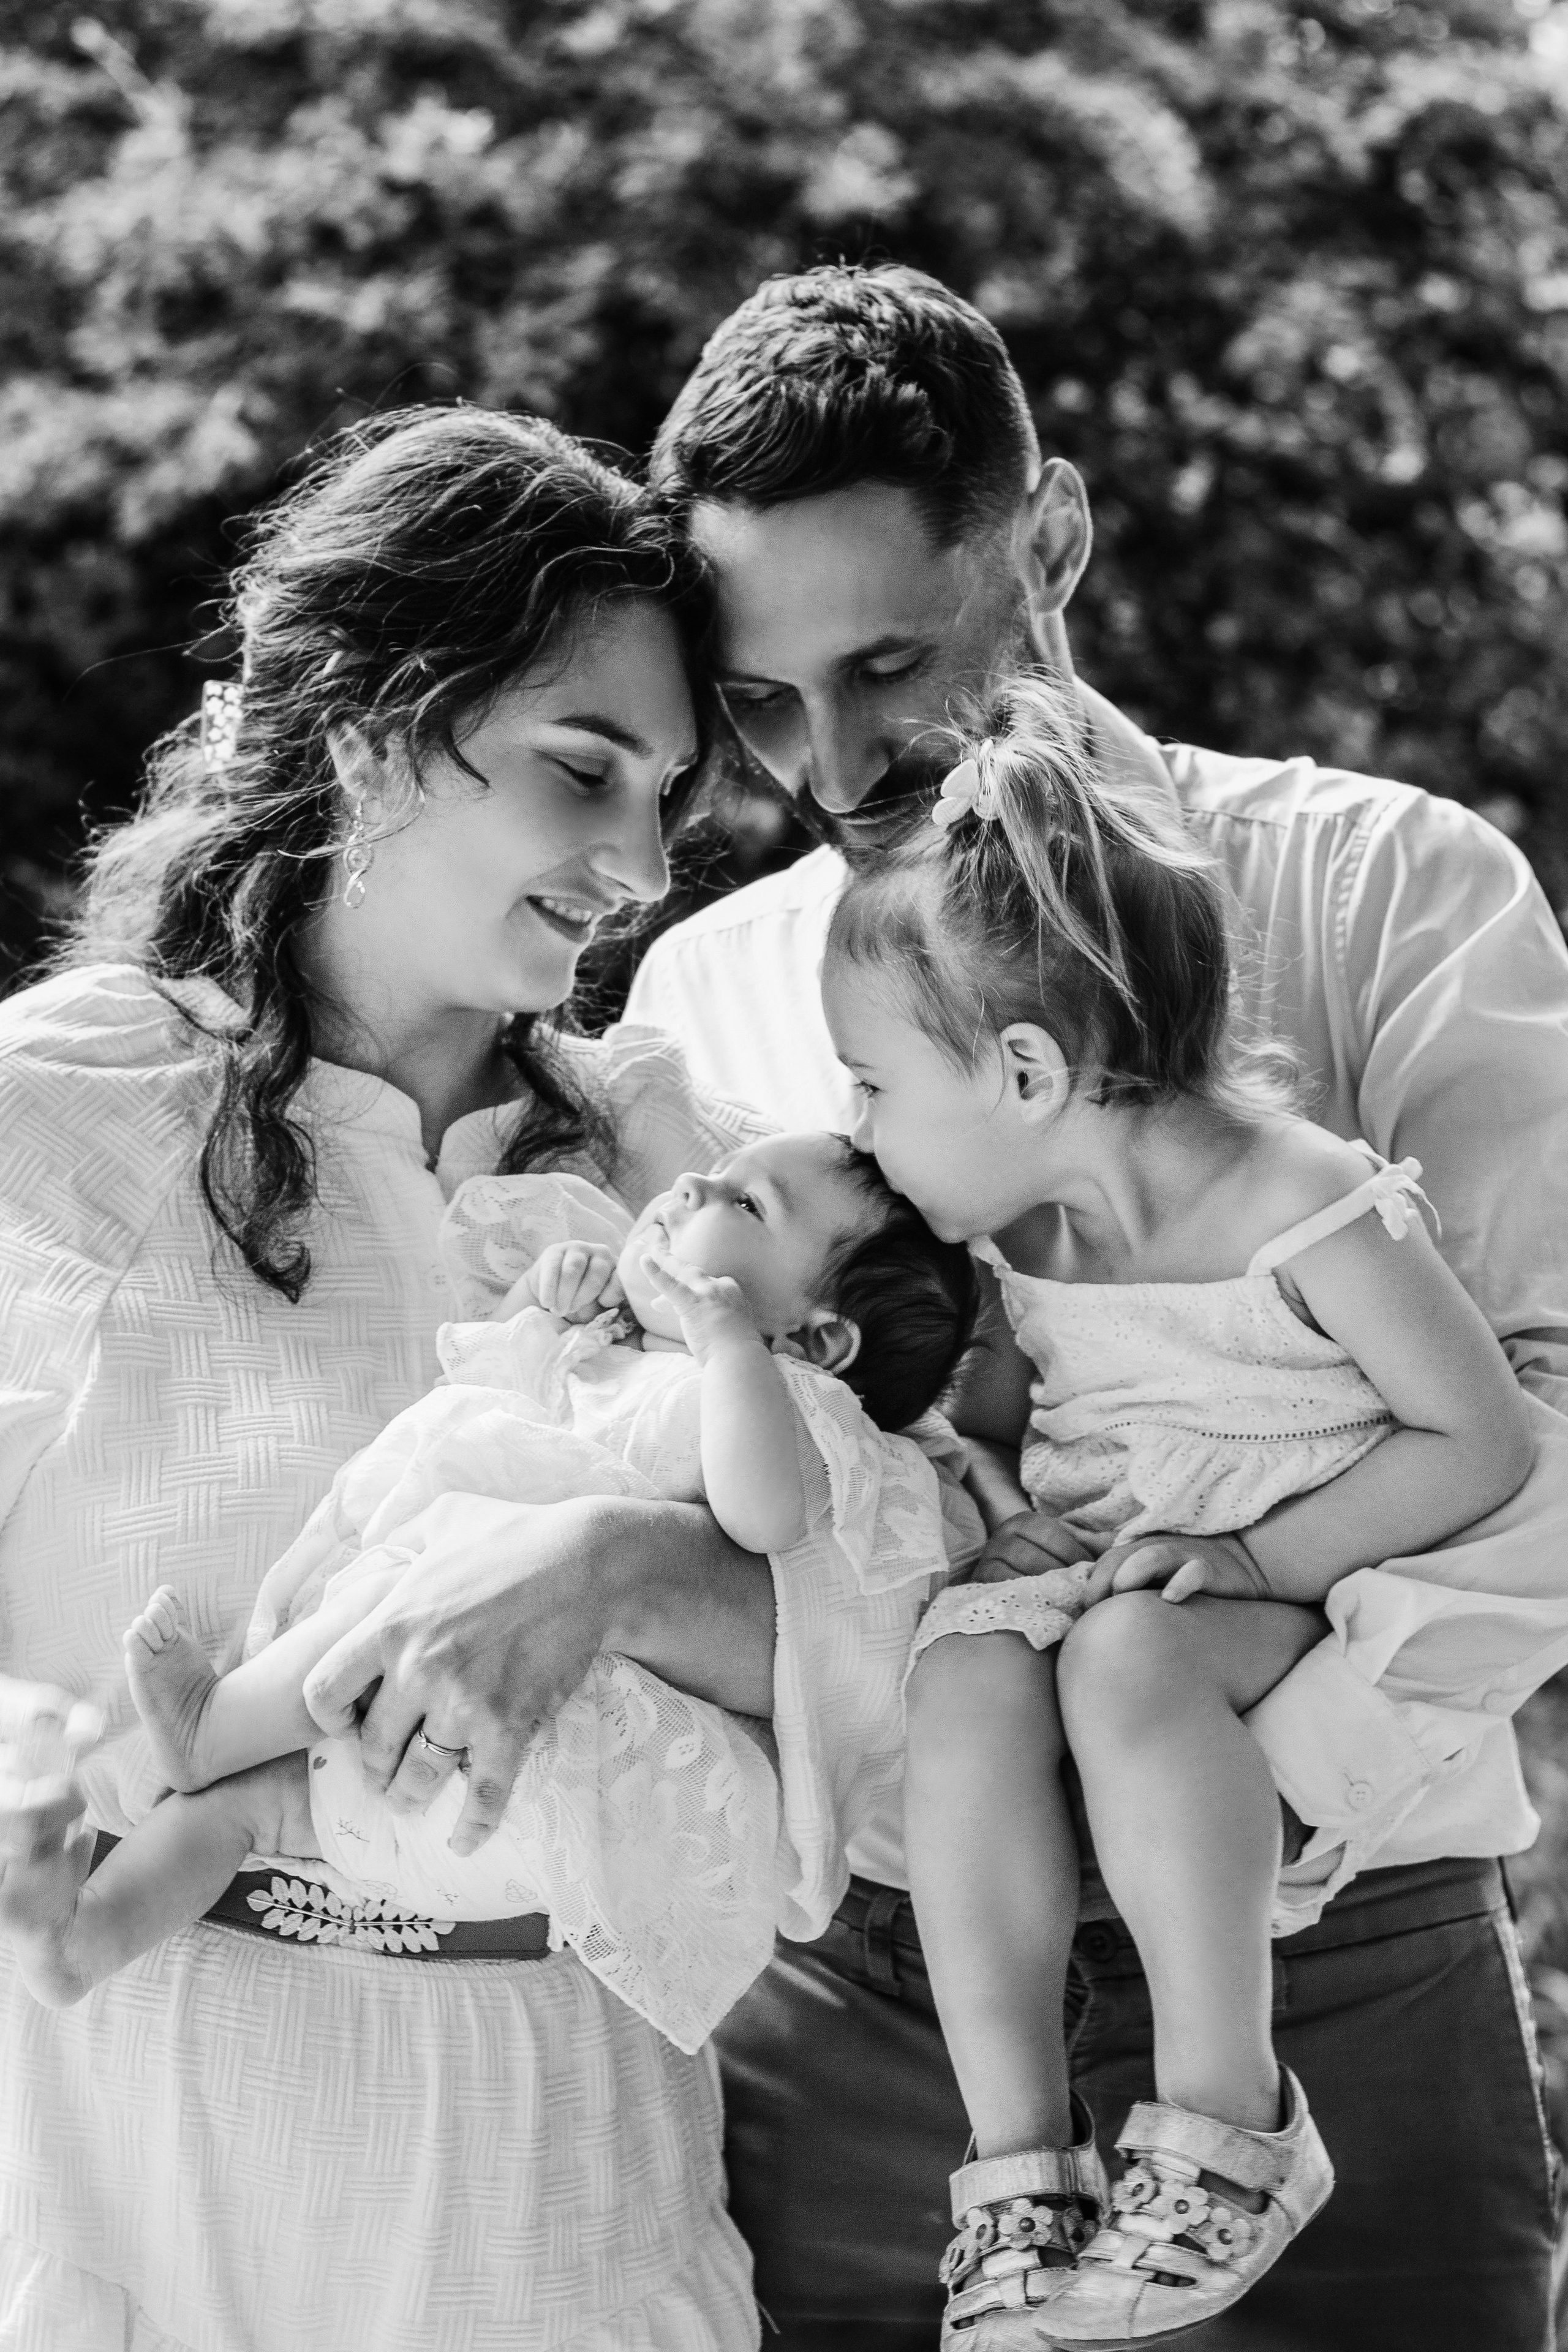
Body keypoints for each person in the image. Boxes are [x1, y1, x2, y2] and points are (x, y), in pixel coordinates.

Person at [625, 262, 1568, 2348]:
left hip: (1351, 1961)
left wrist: (1211, 1792)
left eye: (891, 659)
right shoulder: (703, 995)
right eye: (767, 702)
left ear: (1046, 535)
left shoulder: (1392, 893)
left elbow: (1542, 1427)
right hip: (867, 2030)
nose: (836, 762)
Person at [0, 402, 981, 2352]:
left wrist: (612, 1563)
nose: (640, 863)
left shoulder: (672, 1162)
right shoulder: (62, 1117)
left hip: (571, 2161)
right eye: (581, 771)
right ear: (374, 727)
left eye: (672, 796)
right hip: (154, 2138)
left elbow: (886, 1677)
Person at [821, 680, 1537, 2342]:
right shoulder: (1022, 1238)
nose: (858, 1126)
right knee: (969, 1670)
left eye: (869, 1087)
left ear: (1020, 1069)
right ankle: (1020, 2173)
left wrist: (1255, 1557)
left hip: (1280, 1582)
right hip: (1127, 1579)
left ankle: (1230, 2127)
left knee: (1133, 1661)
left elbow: (1480, 1437)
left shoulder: (1304, 1204)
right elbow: (1054, 1412)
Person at [5, 1133, 973, 2060]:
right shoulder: (620, 1351)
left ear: (823, 1337)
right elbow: (480, 1380)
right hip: (442, 1769)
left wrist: (729, 1347)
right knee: (244, 1813)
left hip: (540, 1757)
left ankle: (210, 1724)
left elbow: (765, 1518)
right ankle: (78, 1941)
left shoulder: (792, 1406)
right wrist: (537, 1305)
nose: (690, 1189)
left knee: (428, 1564)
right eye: (714, 1173)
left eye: (746, 1205)